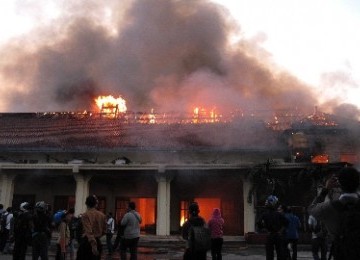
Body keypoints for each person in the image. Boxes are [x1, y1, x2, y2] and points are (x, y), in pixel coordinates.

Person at [308, 166, 360, 260]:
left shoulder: (328, 208)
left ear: (339, 183)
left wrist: (325, 190)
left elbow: (311, 209)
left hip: (340, 253)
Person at [257, 195, 288, 260]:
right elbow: (286, 223)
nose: (266, 203)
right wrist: (280, 231)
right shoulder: (279, 214)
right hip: (278, 235)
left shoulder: (264, 214)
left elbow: (259, 224)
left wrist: (264, 227)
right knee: (280, 254)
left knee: (269, 255)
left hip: (270, 235)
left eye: (267, 202)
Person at [76, 195, 106, 260]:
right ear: (96, 204)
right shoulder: (102, 215)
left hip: (87, 243)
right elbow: (104, 230)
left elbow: (88, 231)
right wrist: (97, 237)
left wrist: (93, 245)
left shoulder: (85, 215)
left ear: (86, 204)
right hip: (97, 241)